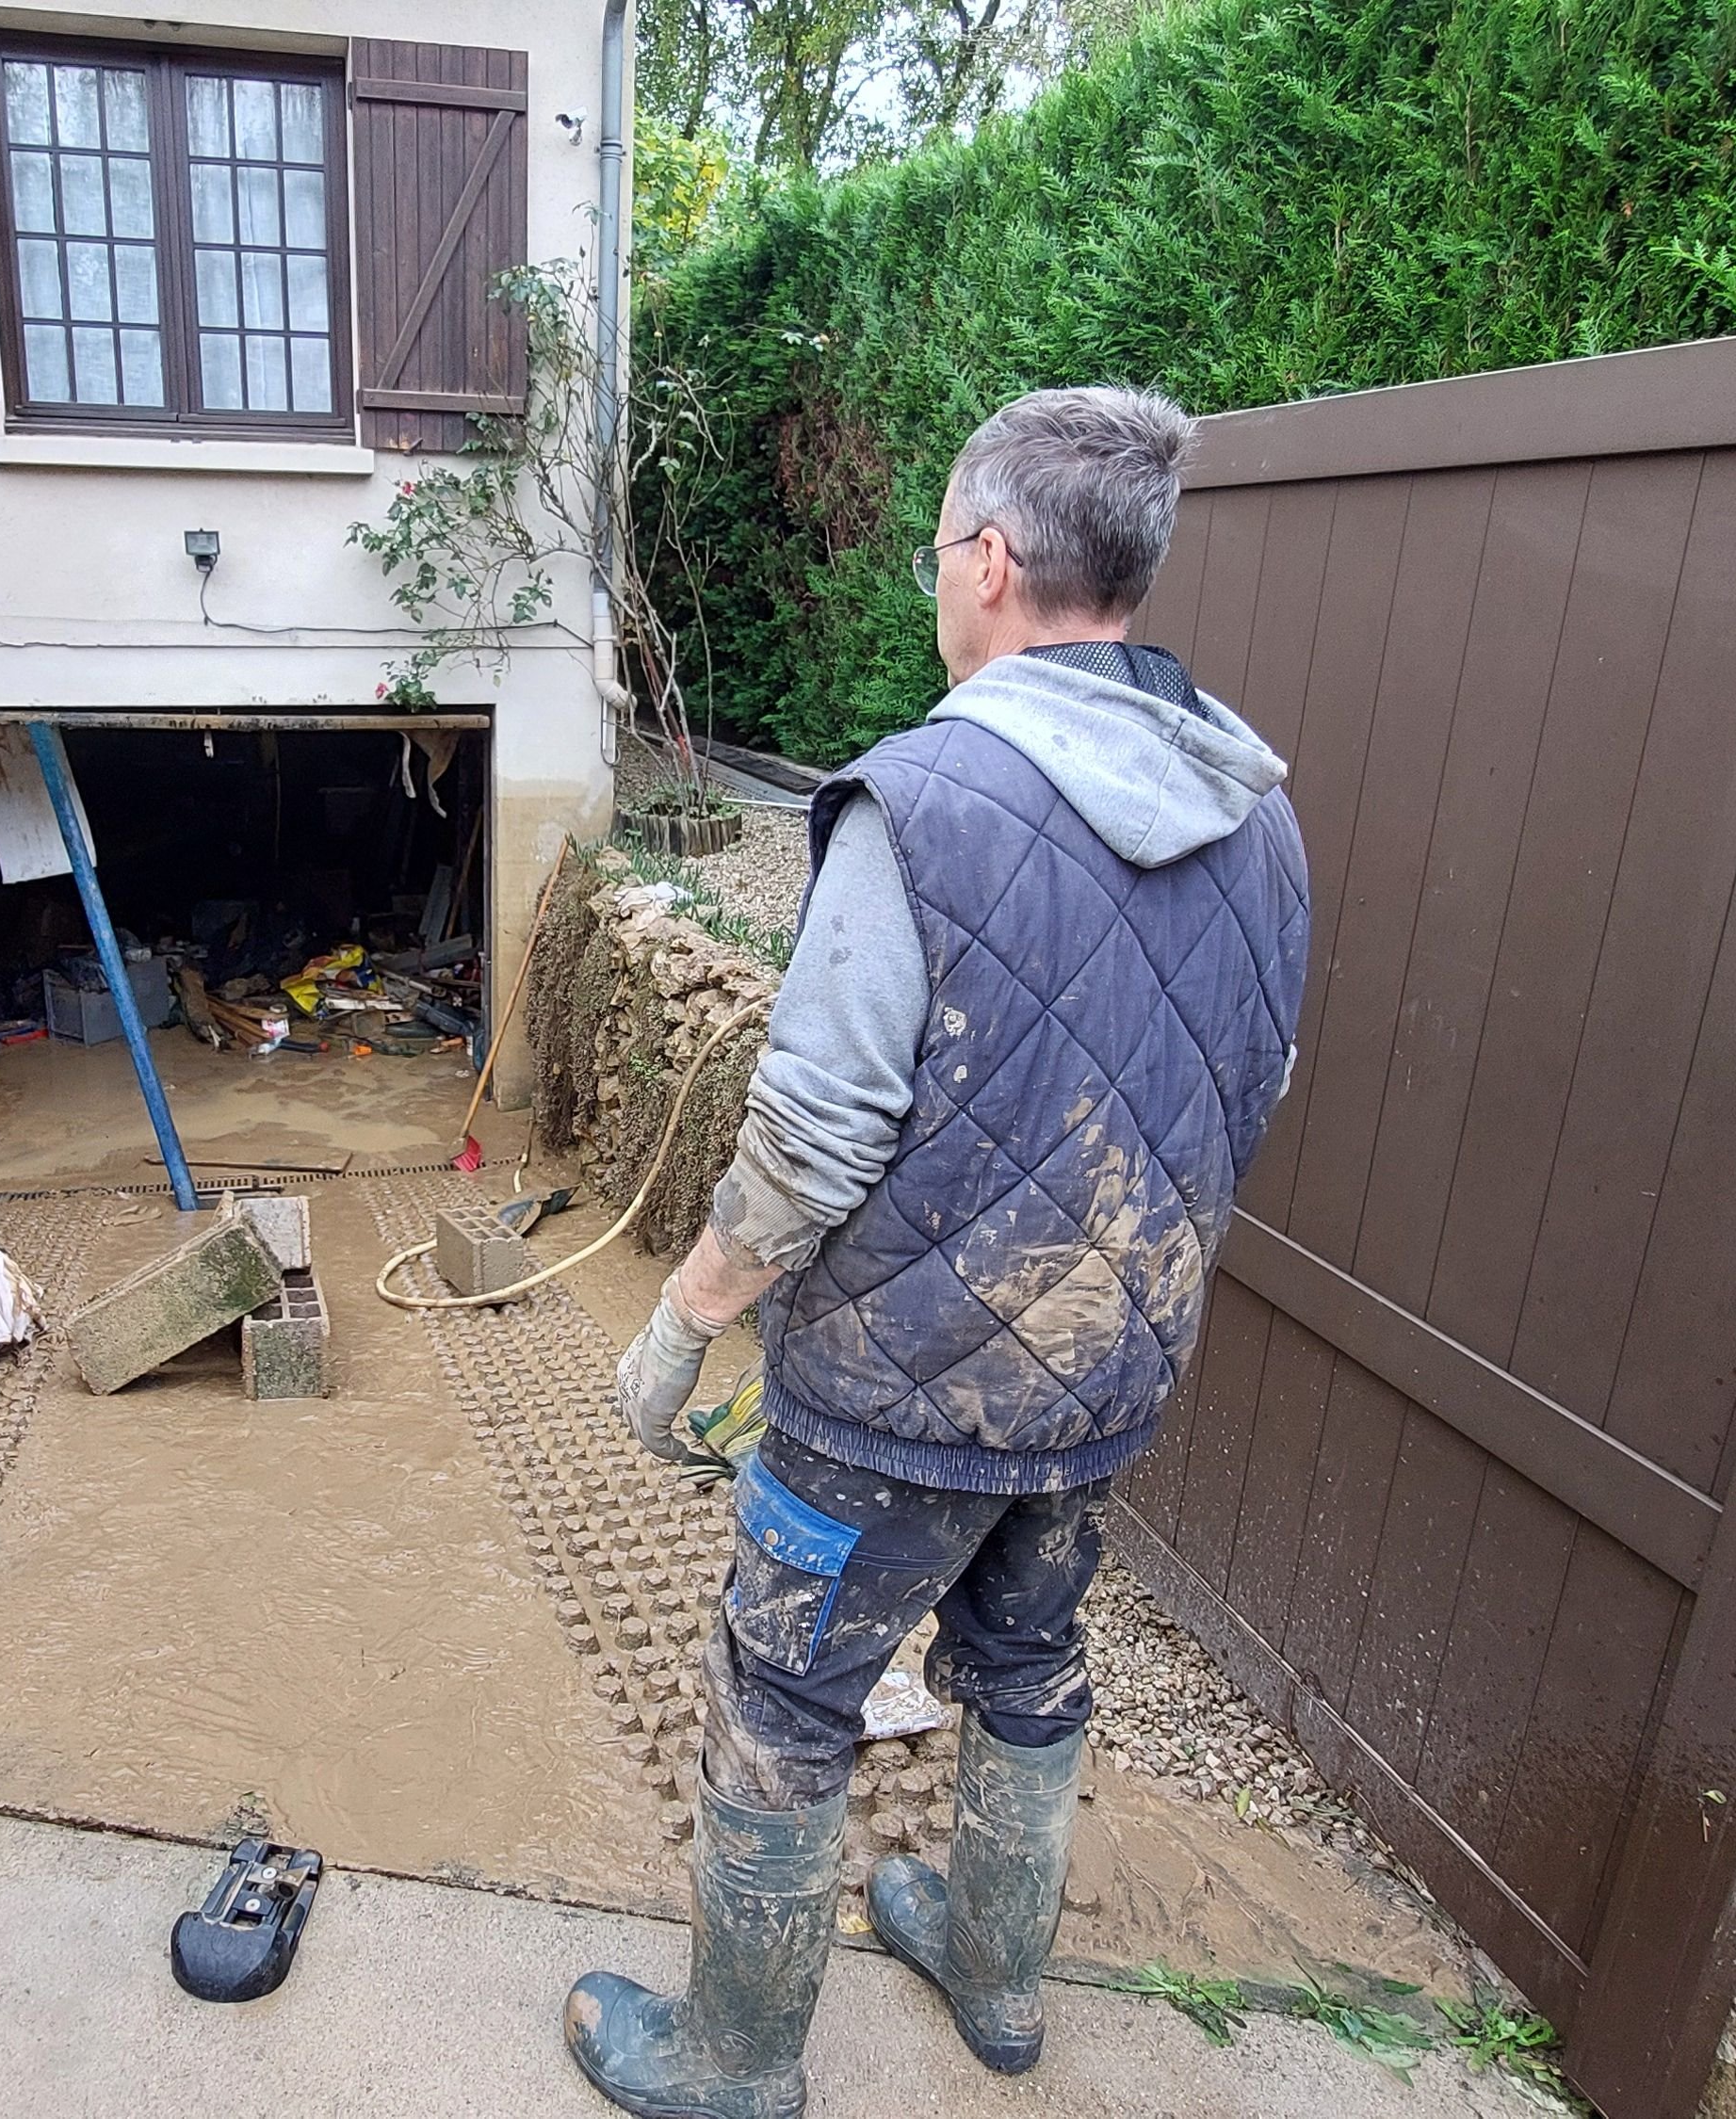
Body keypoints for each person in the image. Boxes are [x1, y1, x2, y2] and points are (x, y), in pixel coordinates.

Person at [562, 385, 1313, 2119]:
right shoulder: (1257, 802)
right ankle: (992, 1975)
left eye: (936, 555)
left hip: (890, 1403)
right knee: (1034, 1667)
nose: (934, 584)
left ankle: (736, 2059)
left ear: (988, 559)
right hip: (1108, 1373)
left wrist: (680, 1326)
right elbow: (1251, 1081)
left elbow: (814, 1137)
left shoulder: (924, 800)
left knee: (784, 1688)